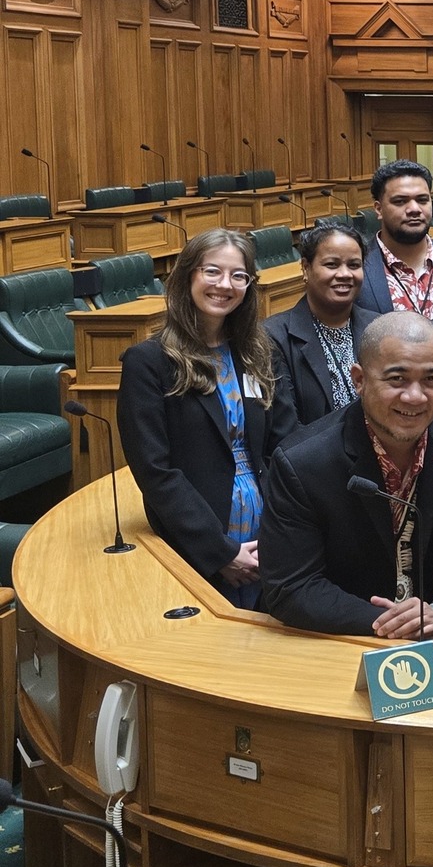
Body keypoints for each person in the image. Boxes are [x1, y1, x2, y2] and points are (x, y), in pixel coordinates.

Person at [259, 311, 433, 639]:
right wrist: (398, 626)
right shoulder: (302, 463)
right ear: (359, 379)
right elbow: (292, 587)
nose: (416, 397)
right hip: (343, 638)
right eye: (397, 379)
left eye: (432, 379)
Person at [118, 228, 283, 605]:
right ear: (188, 275)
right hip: (198, 541)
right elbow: (155, 472)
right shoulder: (148, 363)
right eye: (212, 271)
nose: (225, 285)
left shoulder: (257, 352)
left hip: (268, 533)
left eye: (238, 275)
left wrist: (283, 530)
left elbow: (280, 442)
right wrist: (219, 551)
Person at [265, 219, 372, 441]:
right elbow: (286, 429)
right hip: (312, 465)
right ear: (305, 268)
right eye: (332, 264)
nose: (345, 274)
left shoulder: (379, 328)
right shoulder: (274, 336)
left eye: (354, 265)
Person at [358, 159, 433, 316]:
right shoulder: (358, 266)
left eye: (422, 200)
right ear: (379, 209)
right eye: (400, 201)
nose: (414, 209)